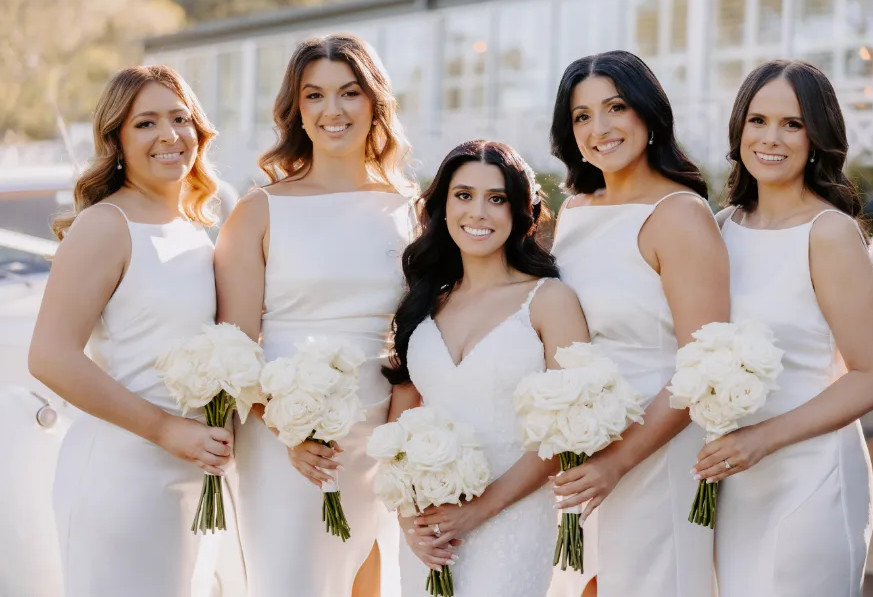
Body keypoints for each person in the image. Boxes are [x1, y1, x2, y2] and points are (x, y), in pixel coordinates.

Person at [214, 33, 416, 597]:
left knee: (370, 581)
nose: (333, 111)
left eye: (349, 93)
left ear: (374, 102)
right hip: (284, 440)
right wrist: (288, 428)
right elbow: (233, 349)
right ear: (296, 109)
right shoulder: (260, 210)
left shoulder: (409, 208)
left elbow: (418, 334)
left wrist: (402, 432)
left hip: (380, 434)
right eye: (315, 96)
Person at [697, 59, 873, 597]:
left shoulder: (828, 232)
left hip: (810, 474)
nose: (771, 138)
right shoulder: (718, 227)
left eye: (792, 123)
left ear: (817, 136)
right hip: (730, 481)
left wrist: (763, 438)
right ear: (739, 129)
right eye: (758, 120)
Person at [29, 65, 225, 597]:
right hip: (123, 475)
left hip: (192, 476)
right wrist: (166, 430)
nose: (169, 135)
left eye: (180, 118)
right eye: (146, 123)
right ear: (115, 139)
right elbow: (49, 356)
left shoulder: (193, 230)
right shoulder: (105, 225)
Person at [548, 50, 729, 597]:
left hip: (655, 447)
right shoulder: (575, 211)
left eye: (615, 107)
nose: (598, 128)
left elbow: (705, 366)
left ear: (648, 115)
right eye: (581, 116)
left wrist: (617, 462)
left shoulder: (678, 215)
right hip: (582, 450)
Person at [384, 139, 590, 596]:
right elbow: (398, 423)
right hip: (429, 528)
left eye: (496, 199)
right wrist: (407, 518)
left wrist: (478, 511)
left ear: (520, 211)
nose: (478, 212)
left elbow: (566, 430)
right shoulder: (423, 303)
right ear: (442, 207)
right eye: (464, 195)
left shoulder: (549, 301)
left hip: (513, 518)